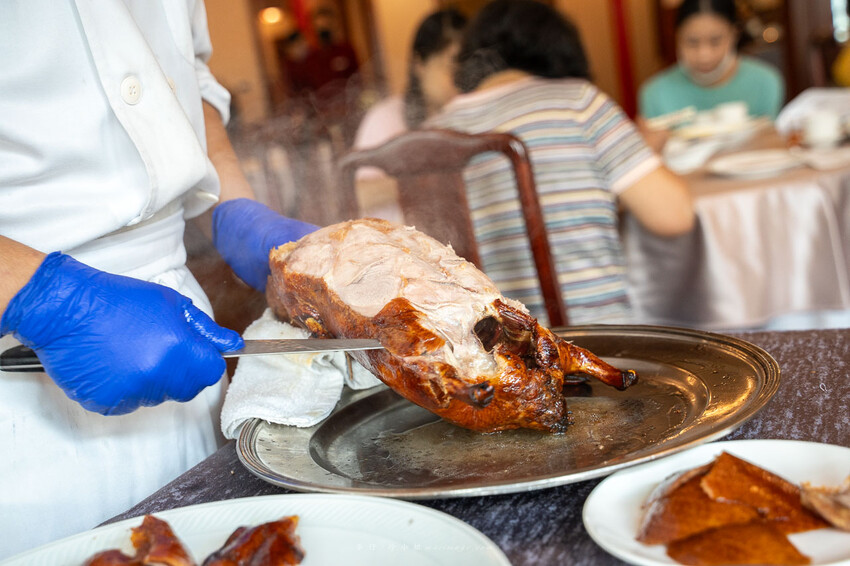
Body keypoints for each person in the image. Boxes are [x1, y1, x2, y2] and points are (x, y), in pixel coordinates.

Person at [0, 1, 316, 558]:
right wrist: (41, 297)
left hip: (171, 323)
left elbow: (183, 78)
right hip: (17, 371)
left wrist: (232, 205)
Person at [426, 0, 694, 325]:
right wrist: (643, 149)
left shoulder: (433, 134)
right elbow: (675, 216)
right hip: (598, 344)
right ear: (562, 50)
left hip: (489, 360)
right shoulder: (579, 102)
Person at [638, 0, 785, 122]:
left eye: (715, 41)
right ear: (677, 37)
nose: (704, 55)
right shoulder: (655, 93)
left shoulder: (765, 82)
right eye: (692, 42)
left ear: (734, 34)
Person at [353, 8, 468, 153]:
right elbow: (366, 175)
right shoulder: (386, 121)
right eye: (453, 68)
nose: (463, 81)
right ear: (419, 64)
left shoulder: (471, 122)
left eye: (468, 69)